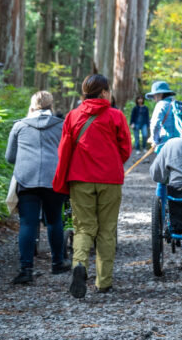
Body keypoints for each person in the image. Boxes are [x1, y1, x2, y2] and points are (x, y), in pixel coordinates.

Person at [53, 74, 131, 298]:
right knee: (107, 230)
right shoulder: (116, 116)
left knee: (84, 227)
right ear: (105, 92)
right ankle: (103, 281)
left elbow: (64, 149)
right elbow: (125, 148)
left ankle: (80, 266)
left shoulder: (72, 116)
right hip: (110, 179)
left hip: (80, 178)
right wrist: (112, 163)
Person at [6, 91, 70, 284]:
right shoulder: (61, 126)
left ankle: (26, 269)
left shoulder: (19, 125)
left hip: (26, 179)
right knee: (54, 221)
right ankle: (58, 263)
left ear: (32, 106)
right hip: (54, 179)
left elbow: (10, 157)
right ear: (51, 106)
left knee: (27, 224)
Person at [145, 81, 182, 203]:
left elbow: (155, 125)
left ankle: (162, 212)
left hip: (165, 147)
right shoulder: (178, 105)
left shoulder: (161, 105)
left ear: (159, 95)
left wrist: (155, 140)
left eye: (154, 96)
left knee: (162, 179)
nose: (154, 99)